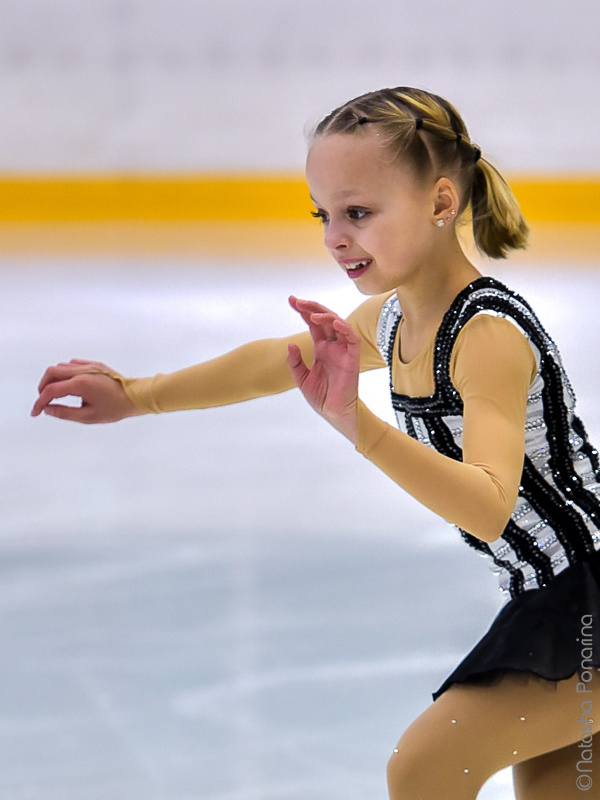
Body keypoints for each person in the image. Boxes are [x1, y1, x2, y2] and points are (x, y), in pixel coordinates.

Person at [32, 87, 600, 799]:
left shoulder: (485, 336)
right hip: (549, 593)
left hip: (585, 592)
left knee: (426, 770)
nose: (335, 236)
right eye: (323, 214)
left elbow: (488, 506)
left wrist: (358, 428)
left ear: (440, 202)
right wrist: (139, 395)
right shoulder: (392, 320)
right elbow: (277, 360)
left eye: (358, 212)